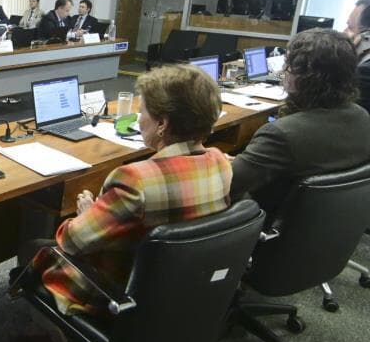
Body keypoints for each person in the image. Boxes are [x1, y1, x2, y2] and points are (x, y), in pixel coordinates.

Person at [20, 64, 231, 318]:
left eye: (141, 112)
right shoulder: (220, 161)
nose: (138, 119)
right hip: (180, 288)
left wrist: (86, 215)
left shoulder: (135, 179)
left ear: (162, 123)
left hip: (120, 292)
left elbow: (73, 242)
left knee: (34, 248)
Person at [230, 28, 370, 221]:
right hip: (324, 228)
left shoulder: (282, 134)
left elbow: (226, 184)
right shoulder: (362, 118)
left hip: (263, 227)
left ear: (306, 77)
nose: (282, 72)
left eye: (287, 66)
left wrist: (215, 163)